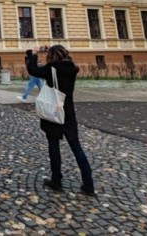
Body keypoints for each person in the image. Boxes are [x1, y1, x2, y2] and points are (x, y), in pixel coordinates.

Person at [27, 45, 95, 196]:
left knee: (54, 146)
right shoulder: (71, 69)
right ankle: (89, 185)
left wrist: (32, 53)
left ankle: (56, 181)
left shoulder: (52, 69)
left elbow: (32, 70)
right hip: (68, 113)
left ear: (51, 56)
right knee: (77, 149)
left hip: (54, 112)